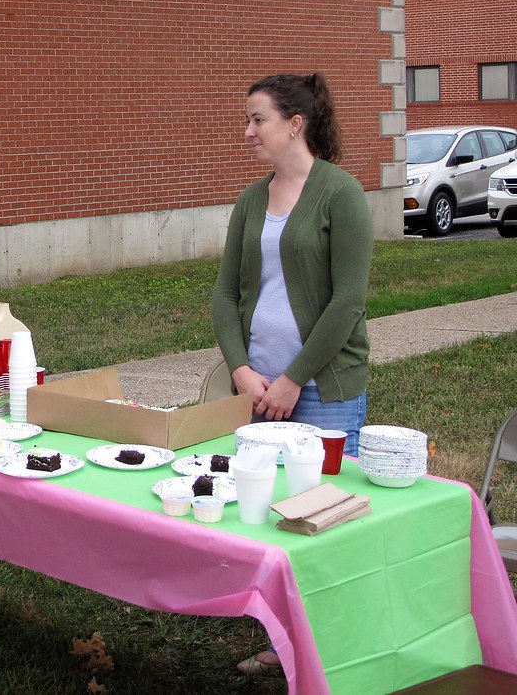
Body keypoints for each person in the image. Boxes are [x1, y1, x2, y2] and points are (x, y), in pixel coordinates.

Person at [211, 73, 373, 675]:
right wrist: (242, 370)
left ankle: (335, 649)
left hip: (323, 390)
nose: (247, 130)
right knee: (270, 515)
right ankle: (283, 641)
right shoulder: (252, 200)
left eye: (257, 119)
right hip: (258, 389)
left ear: (295, 124)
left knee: (323, 520)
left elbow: (347, 302)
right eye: (248, 119)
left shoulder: (341, 194)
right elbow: (225, 296)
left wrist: (293, 379)